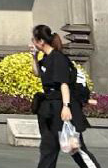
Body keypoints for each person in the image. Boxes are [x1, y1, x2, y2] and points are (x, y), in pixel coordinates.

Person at [31, 24, 102, 168]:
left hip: (61, 106)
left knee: (75, 147)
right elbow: (37, 73)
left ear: (41, 41)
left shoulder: (58, 58)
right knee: (48, 148)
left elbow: (64, 84)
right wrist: (33, 57)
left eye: (33, 39)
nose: (31, 42)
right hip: (49, 108)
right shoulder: (46, 58)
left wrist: (66, 107)